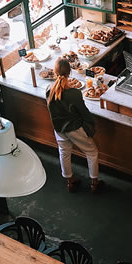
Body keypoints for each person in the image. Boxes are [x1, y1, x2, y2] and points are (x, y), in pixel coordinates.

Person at [46, 58, 103, 193]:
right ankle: (94, 183)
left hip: (58, 129)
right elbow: (84, 113)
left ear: (54, 72)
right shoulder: (74, 94)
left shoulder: (49, 89)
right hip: (74, 128)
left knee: (64, 153)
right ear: (70, 72)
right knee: (92, 152)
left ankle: (69, 182)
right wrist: (92, 124)